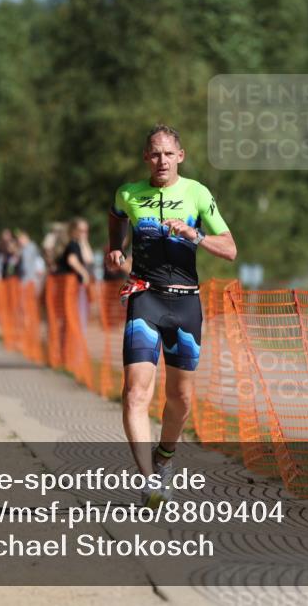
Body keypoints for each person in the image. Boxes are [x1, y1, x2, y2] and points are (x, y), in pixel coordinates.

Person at [106, 124, 237, 508]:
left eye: (168, 153)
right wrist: (116, 246)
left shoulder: (197, 193)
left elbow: (230, 249)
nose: (161, 160)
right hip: (144, 299)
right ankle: (150, 481)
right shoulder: (129, 193)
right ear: (145, 158)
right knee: (135, 393)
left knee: (180, 398)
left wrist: (194, 236)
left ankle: (164, 457)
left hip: (185, 304)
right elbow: (116, 216)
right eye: (154, 154)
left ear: (180, 156)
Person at [64, 217, 94, 326]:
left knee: (80, 315)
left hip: (78, 286)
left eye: (86, 231)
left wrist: (84, 242)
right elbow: (72, 260)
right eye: (81, 231)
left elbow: (89, 259)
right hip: (71, 286)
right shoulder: (72, 244)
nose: (84, 234)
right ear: (74, 230)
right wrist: (84, 273)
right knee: (73, 317)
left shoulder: (78, 245)